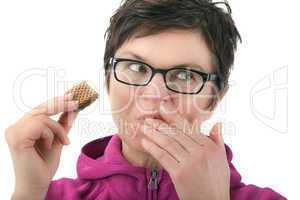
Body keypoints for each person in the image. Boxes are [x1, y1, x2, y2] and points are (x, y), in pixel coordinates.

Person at [5, 0, 287, 199]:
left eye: (185, 75)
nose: (155, 95)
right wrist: (28, 193)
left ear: (214, 100)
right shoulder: (47, 196)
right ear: (108, 81)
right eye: (137, 68)